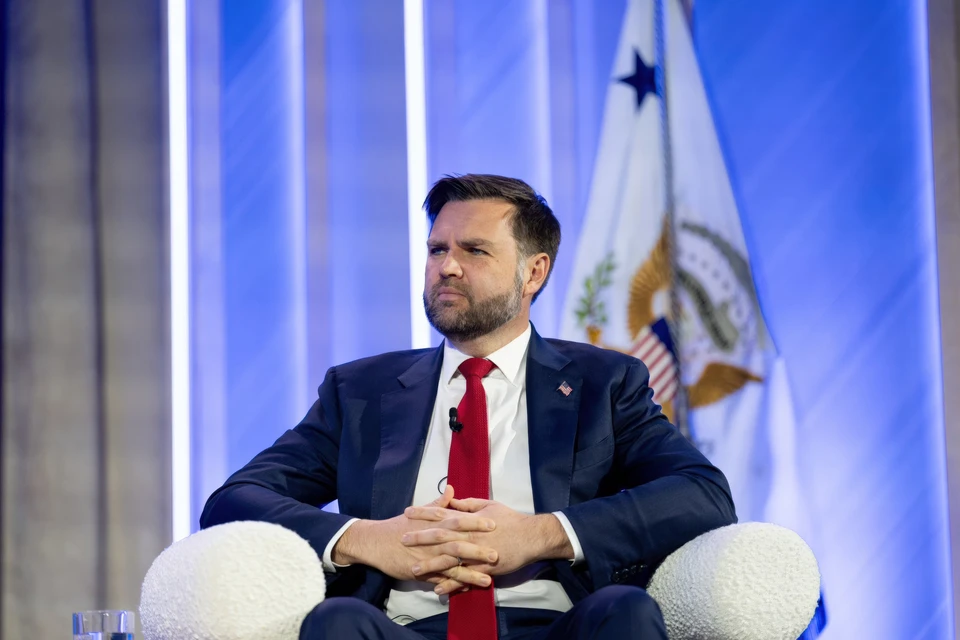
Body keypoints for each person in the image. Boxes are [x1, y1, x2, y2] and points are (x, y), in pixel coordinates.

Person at [200, 174, 737, 640]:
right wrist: (366, 540)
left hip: (554, 627)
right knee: (337, 622)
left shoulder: (604, 383)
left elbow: (702, 494)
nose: (448, 267)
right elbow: (233, 501)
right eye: (437, 250)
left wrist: (540, 534)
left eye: (474, 251)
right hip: (406, 628)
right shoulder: (360, 391)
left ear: (534, 273)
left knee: (625, 611)